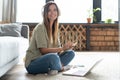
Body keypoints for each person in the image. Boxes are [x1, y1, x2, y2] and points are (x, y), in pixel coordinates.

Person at [25, 1, 76, 75]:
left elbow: (58, 51)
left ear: (57, 12)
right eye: (49, 10)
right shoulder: (40, 27)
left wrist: (67, 48)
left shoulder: (55, 29)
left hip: (48, 59)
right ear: (45, 13)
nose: (52, 12)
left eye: (55, 10)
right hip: (33, 63)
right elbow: (43, 50)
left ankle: (55, 67)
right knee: (53, 57)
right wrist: (62, 48)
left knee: (71, 53)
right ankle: (59, 67)